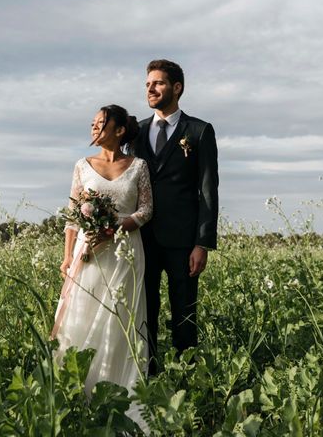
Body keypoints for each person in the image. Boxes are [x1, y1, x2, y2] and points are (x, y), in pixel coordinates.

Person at [53, 104, 153, 399]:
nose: (94, 128)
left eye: (101, 123)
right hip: (89, 252)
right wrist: (68, 256)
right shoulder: (82, 166)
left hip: (125, 251)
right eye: (92, 123)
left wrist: (114, 225)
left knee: (120, 316)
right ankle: (79, 389)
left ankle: (119, 389)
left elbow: (146, 210)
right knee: (82, 314)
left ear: (119, 130)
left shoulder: (139, 166)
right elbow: (72, 215)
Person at [133, 59, 219, 375]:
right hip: (142, 239)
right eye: (147, 84)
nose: (150, 89)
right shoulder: (137, 131)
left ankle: (188, 380)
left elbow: (208, 191)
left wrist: (203, 243)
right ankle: (149, 375)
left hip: (183, 241)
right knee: (146, 312)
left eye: (157, 83)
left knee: (184, 313)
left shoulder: (198, 131)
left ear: (176, 87)